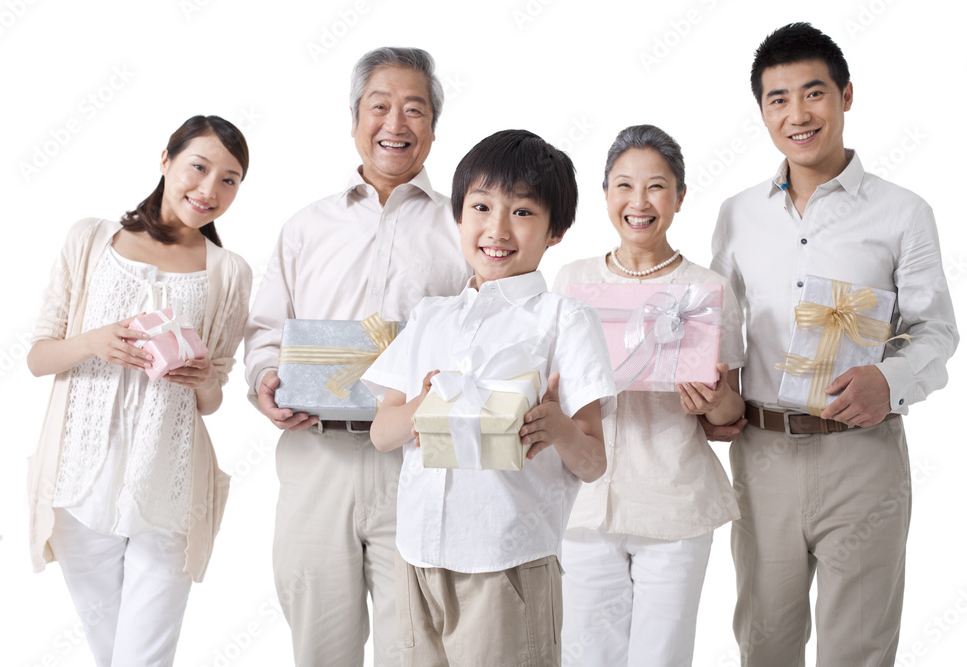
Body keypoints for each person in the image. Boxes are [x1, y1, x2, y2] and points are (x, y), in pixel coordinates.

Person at [709, 22, 958, 666]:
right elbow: (721, 332)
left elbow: (936, 332)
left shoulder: (904, 213)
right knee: (764, 643)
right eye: (778, 98)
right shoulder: (737, 214)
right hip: (762, 459)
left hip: (863, 455)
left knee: (859, 649)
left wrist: (891, 382)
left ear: (846, 96)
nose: (798, 114)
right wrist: (711, 396)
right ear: (762, 112)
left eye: (813, 92)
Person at [243, 47, 471, 666]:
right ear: (354, 120)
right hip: (317, 458)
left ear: (432, 127)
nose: (395, 124)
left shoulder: (465, 226)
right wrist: (265, 378)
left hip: (421, 463)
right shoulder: (306, 227)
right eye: (380, 106)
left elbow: (488, 335)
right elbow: (265, 332)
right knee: (319, 645)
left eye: (414, 109)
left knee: (416, 646)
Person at [362, 128, 617, 666]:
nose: (497, 229)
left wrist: (561, 429)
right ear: (459, 216)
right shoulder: (432, 316)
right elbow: (382, 434)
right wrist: (424, 405)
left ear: (557, 231)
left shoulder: (564, 320)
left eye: (523, 213)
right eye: (481, 207)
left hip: (507, 562)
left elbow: (593, 461)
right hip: (416, 558)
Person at [26, 115, 252, 667]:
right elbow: (37, 357)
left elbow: (213, 398)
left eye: (230, 179)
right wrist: (92, 342)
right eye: (199, 167)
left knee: (143, 658)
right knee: (112, 656)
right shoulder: (91, 239)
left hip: (169, 487)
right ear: (165, 160)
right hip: (80, 484)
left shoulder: (229, 272)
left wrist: (202, 381)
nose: (209, 189)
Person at [552, 124, 745, 667]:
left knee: (662, 657)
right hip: (586, 503)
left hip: (674, 502)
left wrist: (711, 402)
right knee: (587, 656)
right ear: (607, 194)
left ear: (680, 196)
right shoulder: (573, 279)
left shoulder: (707, 287)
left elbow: (732, 410)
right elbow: (550, 385)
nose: (639, 202)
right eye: (623, 186)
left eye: (656, 187)